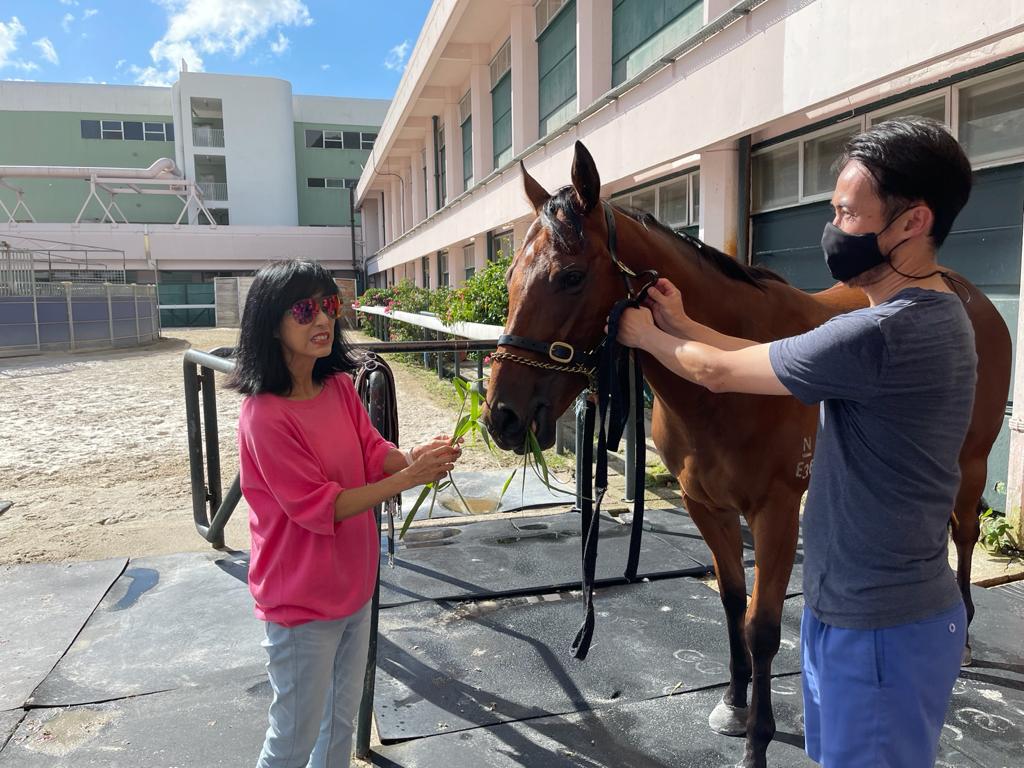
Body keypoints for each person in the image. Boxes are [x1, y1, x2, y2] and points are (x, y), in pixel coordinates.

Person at [616, 117, 975, 767]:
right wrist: (684, 321)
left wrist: (645, 335)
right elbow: (772, 356)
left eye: (847, 211)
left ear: (912, 223)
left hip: (876, 633)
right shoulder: (932, 310)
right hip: (869, 616)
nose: (834, 227)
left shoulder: (882, 335)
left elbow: (720, 373)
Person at [227, 259, 462, 768]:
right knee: (292, 738)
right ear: (271, 323)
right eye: (304, 309)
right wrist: (405, 480)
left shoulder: (337, 387)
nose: (322, 320)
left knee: (339, 726)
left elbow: (372, 448)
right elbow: (321, 506)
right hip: (301, 601)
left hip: (354, 584)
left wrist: (414, 458)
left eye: (329, 306)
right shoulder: (264, 415)